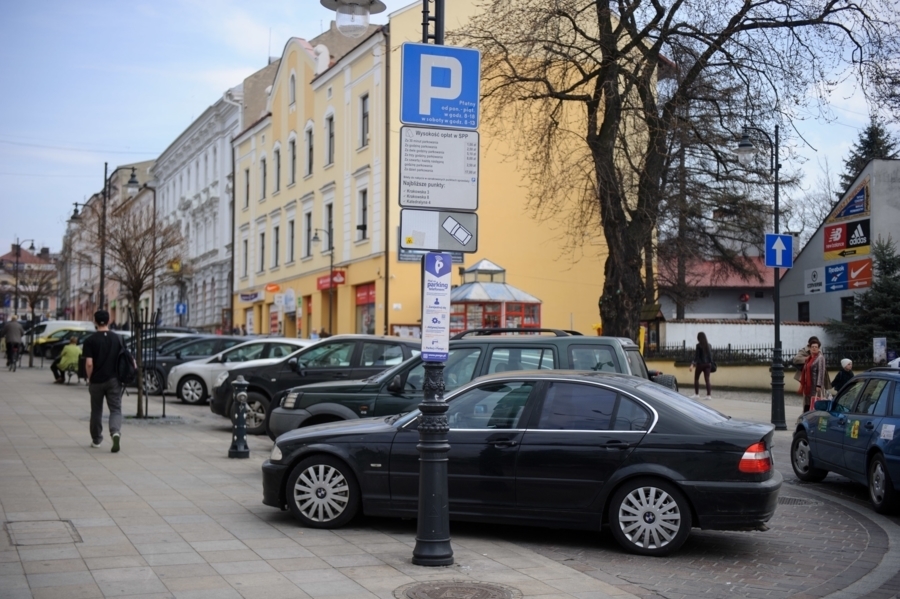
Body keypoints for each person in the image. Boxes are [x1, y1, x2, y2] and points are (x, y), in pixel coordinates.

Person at [83, 310, 129, 453]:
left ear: (95, 321)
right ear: (109, 321)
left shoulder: (90, 341)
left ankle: (96, 439)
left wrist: (90, 378)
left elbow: (89, 363)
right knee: (115, 409)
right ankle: (115, 432)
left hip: (96, 380)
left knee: (96, 410)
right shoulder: (118, 338)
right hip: (114, 380)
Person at [799, 336, 827, 411]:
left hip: (815, 385)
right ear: (810, 348)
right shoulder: (809, 358)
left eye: (816, 347)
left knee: (815, 402)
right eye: (812, 347)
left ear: (818, 348)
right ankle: (805, 416)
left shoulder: (820, 358)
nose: (814, 348)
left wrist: (819, 385)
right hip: (808, 385)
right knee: (807, 403)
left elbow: (821, 371)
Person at [688, 331, 713, 400]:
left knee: (696, 379)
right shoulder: (709, 345)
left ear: (699, 338)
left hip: (700, 364)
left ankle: (696, 394)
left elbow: (697, 357)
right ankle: (709, 395)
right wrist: (710, 363)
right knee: (707, 380)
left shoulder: (698, 346)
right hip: (708, 364)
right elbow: (710, 356)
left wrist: (692, 364)